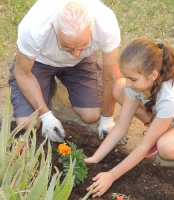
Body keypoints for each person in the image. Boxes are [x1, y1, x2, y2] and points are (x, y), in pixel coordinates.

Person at [85, 38, 174, 197]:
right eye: (127, 77)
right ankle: (159, 132)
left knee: (166, 147)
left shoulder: (169, 97)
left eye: (132, 79)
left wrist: (111, 175)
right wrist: (95, 158)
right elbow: (120, 126)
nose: (129, 82)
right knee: (120, 88)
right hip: (172, 118)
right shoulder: (139, 84)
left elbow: (143, 146)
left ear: (153, 75)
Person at [8, 0, 127, 144]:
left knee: (92, 115)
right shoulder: (34, 28)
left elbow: (112, 77)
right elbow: (22, 72)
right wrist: (46, 116)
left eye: (83, 45)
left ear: (93, 26)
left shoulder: (106, 24)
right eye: (68, 46)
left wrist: (107, 119)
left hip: (81, 63)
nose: (75, 53)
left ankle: (54, 80)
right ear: (54, 27)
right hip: (40, 61)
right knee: (29, 123)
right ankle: (46, 84)